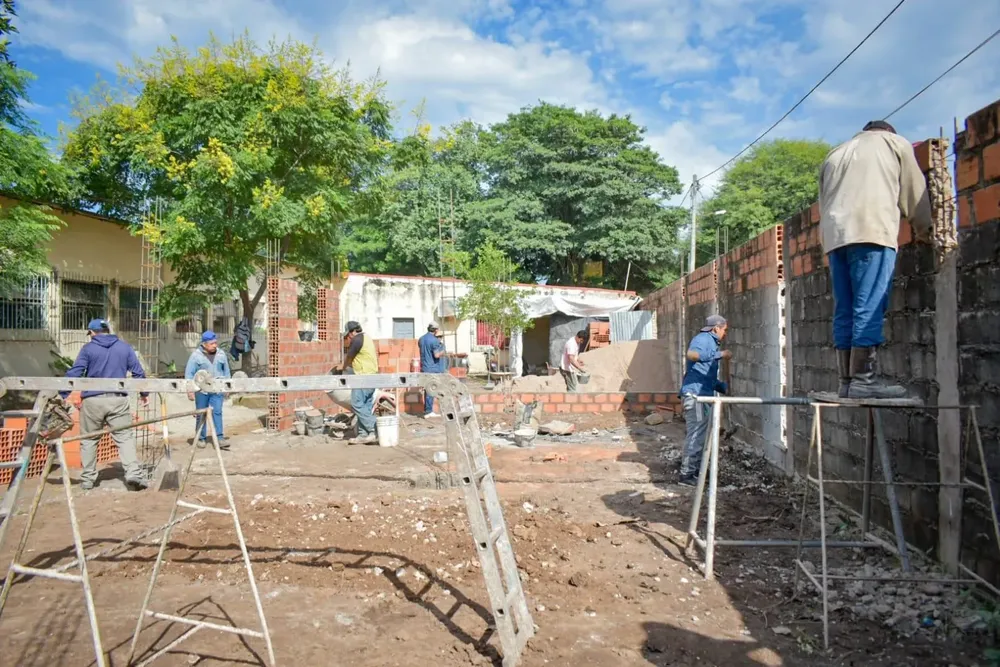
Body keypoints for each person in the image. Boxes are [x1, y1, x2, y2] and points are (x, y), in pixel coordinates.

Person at [819, 120, 933, 399]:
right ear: (888, 131)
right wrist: (925, 230)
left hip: (835, 239)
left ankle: (846, 382)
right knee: (868, 306)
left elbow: (823, 203)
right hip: (871, 229)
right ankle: (864, 381)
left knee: (845, 309)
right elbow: (914, 192)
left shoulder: (835, 154)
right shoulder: (894, 143)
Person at [62, 319, 149, 491]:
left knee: (89, 440)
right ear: (107, 330)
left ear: (92, 332)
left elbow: (76, 372)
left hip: (92, 401)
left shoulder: (88, 349)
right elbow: (138, 373)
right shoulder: (125, 348)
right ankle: (133, 473)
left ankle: (88, 479)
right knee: (124, 437)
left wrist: (63, 393)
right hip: (118, 399)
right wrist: (144, 394)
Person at [678, 315, 730, 487]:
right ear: (716, 328)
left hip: (703, 394)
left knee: (701, 435)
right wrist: (720, 354)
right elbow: (692, 355)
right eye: (724, 330)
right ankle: (687, 474)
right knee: (696, 434)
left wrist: (722, 387)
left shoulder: (711, 343)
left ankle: (697, 471)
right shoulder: (703, 339)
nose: (725, 333)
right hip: (696, 397)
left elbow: (705, 377)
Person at [185, 331, 232, 449]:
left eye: (215, 343)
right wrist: (190, 391)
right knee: (201, 414)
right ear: (204, 344)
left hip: (217, 389)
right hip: (202, 391)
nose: (215, 345)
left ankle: (220, 438)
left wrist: (228, 387)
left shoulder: (221, 354)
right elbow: (189, 374)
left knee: (217, 412)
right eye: (212, 344)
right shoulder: (195, 356)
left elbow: (226, 371)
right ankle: (201, 438)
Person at [339, 320, 379, 444]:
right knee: (365, 406)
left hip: (363, 378)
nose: (348, 337)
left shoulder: (357, 340)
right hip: (372, 376)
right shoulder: (367, 338)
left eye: (348, 334)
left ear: (353, 332)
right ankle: (364, 434)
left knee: (356, 404)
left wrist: (342, 368)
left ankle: (374, 427)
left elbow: (349, 358)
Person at [418, 322, 447, 418]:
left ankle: (427, 410)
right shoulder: (434, 341)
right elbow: (436, 355)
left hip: (424, 367)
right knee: (432, 388)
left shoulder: (421, 339)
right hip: (432, 368)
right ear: (436, 330)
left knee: (427, 389)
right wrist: (443, 350)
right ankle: (428, 411)